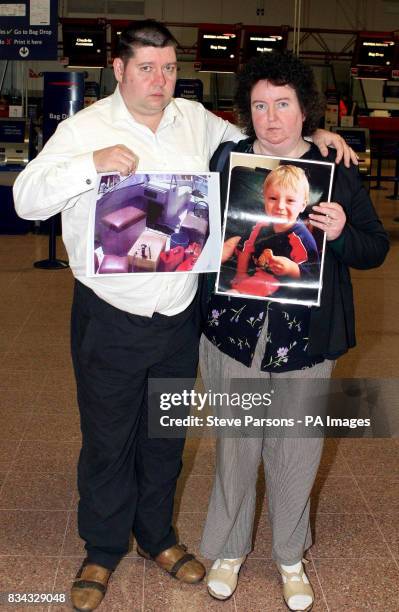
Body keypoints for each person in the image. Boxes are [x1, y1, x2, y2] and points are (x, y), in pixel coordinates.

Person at [13, 19, 357, 612]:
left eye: (169, 67)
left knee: (164, 437)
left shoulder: (194, 121)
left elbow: (262, 139)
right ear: (118, 69)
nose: (159, 79)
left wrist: (317, 132)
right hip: (111, 314)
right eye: (145, 67)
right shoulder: (83, 129)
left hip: (179, 315)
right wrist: (90, 164)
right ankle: (100, 548)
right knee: (108, 438)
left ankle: (158, 538)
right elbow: (26, 197)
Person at [199, 50, 389, 611]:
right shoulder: (227, 160)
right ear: (246, 112)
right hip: (233, 333)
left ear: (305, 109)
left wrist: (342, 232)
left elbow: (375, 249)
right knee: (235, 446)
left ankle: (289, 557)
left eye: (283, 104)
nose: (271, 118)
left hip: (307, 340)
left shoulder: (336, 172)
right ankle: (229, 551)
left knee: (297, 448)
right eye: (259, 105)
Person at [219, 164, 320, 301]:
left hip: (271, 275)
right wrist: (240, 273)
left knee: (267, 283)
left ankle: (239, 292)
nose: (280, 206)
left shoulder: (302, 239)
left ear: (302, 205)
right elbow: (246, 250)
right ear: (265, 199)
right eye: (273, 198)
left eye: (290, 200)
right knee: (230, 247)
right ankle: (234, 241)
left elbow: (312, 274)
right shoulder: (261, 225)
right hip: (251, 254)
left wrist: (291, 268)